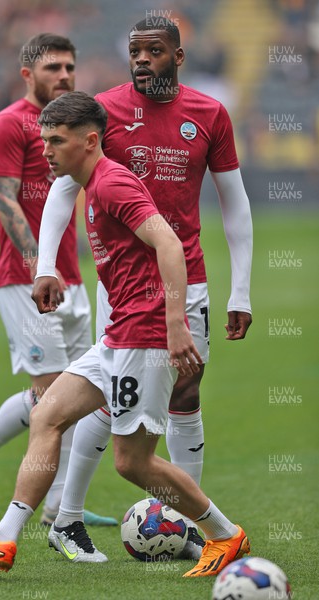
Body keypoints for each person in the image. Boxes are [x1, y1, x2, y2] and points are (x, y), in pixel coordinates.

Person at [0, 91, 250, 578]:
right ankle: (6, 537)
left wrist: (175, 324)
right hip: (118, 334)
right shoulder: (89, 185)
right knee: (48, 414)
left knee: (132, 462)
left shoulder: (114, 184)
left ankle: (224, 535)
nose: (47, 151)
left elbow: (170, 245)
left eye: (56, 141)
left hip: (144, 335)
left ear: (90, 141)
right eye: (43, 140)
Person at [34, 16, 253, 560]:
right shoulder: (104, 110)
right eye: (135, 51)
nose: (141, 60)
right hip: (127, 286)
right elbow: (63, 187)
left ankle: (184, 527)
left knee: (185, 391)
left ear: (177, 57)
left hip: (189, 280)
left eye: (153, 51)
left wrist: (241, 291)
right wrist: (46, 263)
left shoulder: (208, 114)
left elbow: (236, 204)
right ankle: (69, 516)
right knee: (111, 400)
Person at [0, 33, 116, 527]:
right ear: (28, 74)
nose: (63, 76)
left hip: (72, 277)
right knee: (52, 396)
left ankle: (62, 511)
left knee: (80, 394)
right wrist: (37, 267)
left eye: (69, 67)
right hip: (26, 282)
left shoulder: (71, 125)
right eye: (52, 68)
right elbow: (4, 200)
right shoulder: (8, 123)